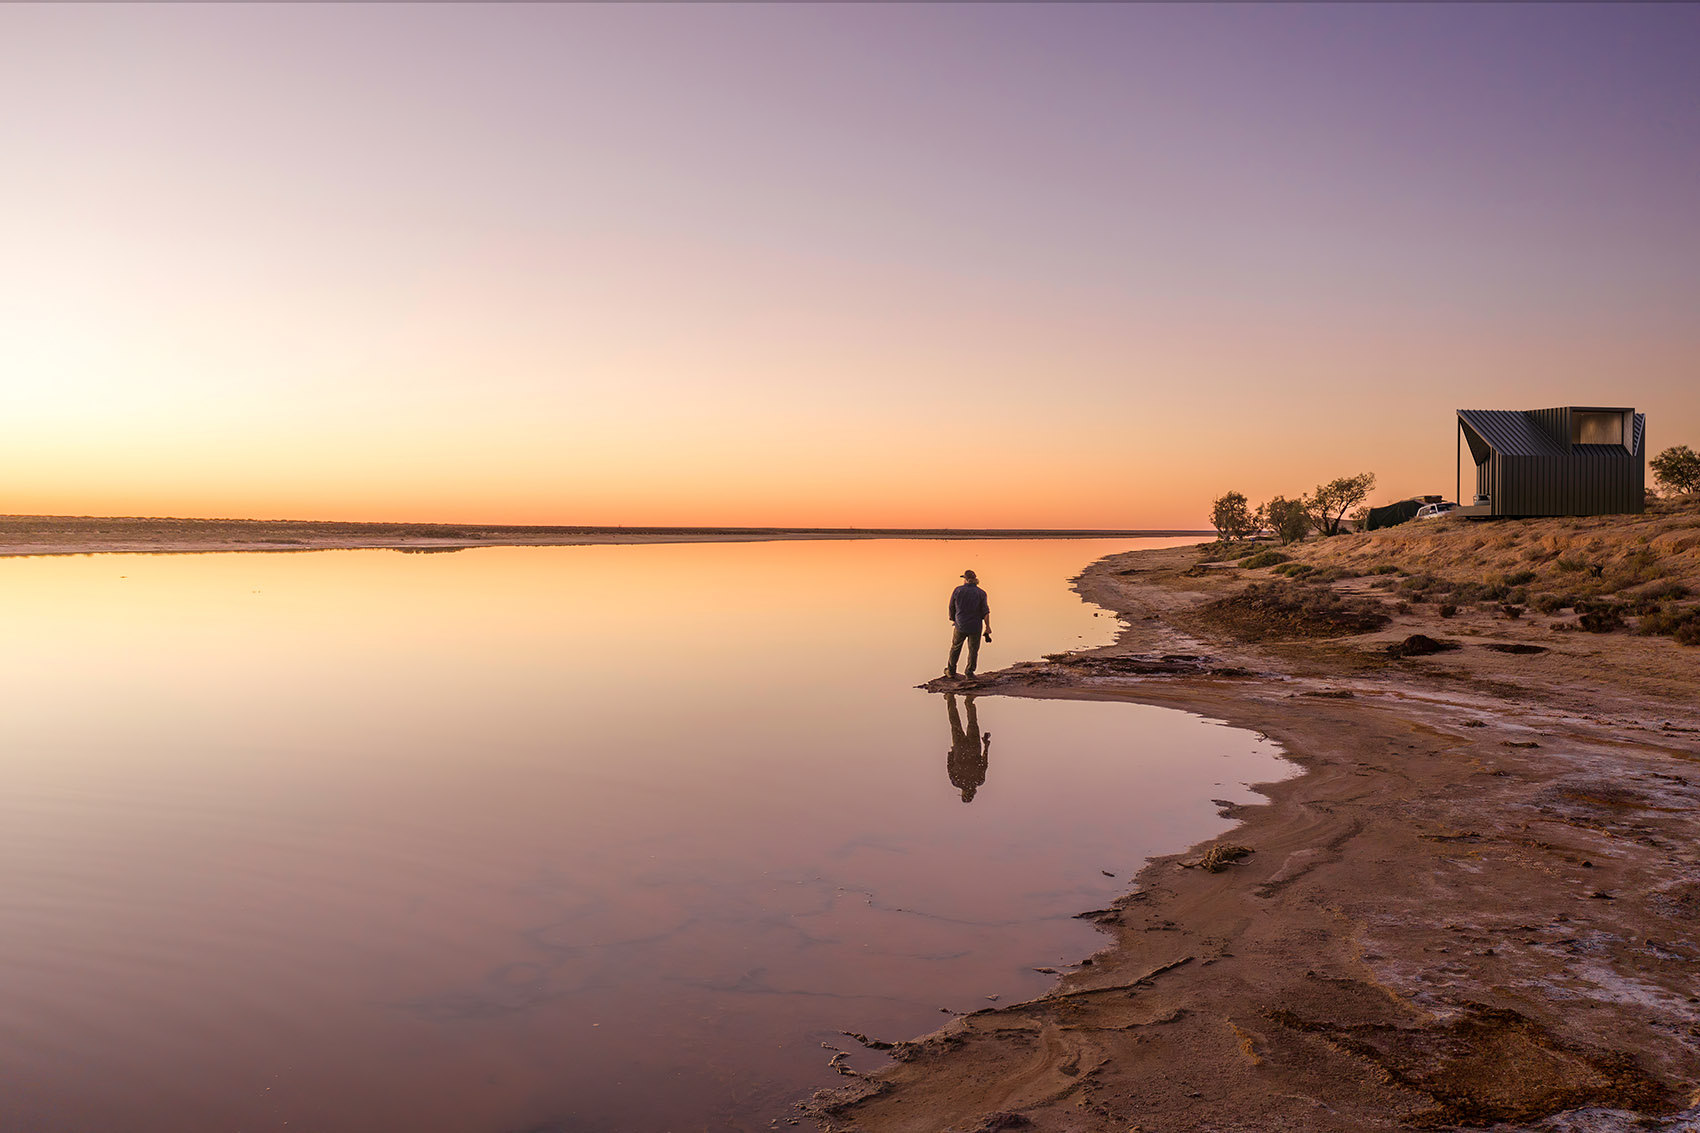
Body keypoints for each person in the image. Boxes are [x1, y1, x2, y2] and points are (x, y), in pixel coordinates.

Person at [945, 692, 991, 803]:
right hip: (960, 750)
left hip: (974, 749)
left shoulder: (979, 780)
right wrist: (952, 752)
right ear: (963, 793)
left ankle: (969, 701)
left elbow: (984, 763)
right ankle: (950, 698)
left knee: (973, 723)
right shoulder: (956, 781)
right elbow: (949, 764)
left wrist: (986, 746)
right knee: (955, 723)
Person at [946, 569, 991, 678]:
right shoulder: (981, 593)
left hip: (960, 625)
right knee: (973, 650)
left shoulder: (958, 590)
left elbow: (951, 607)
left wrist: (953, 619)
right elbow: (985, 611)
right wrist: (988, 627)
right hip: (975, 626)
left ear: (966, 580)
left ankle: (951, 671)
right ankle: (969, 673)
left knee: (956, 647)